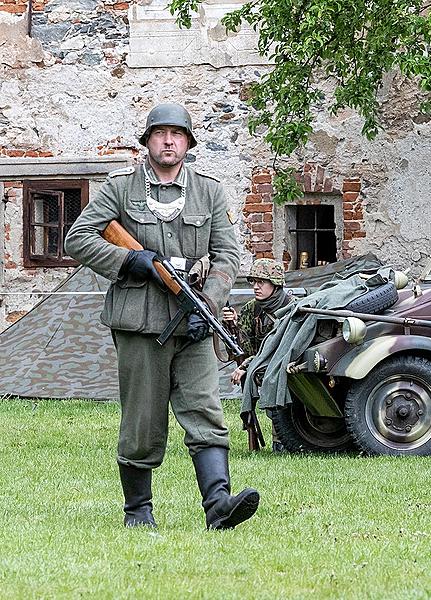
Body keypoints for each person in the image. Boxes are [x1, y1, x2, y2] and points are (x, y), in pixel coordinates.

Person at [64, 102, 259, 530]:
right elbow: (77, 238)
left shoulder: (208, 191)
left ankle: (218, 506)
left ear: (188, 142)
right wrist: (130, 262)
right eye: (160, 133)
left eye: (177, 134)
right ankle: (138, 512)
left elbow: (227, 254)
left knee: (205, 409)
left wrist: (207, 304)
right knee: (143, 419)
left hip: (194, 321)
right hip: (139, 321)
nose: (169, 141)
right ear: (148, 140)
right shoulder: (121, 188)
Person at [223, 258, 295, 451]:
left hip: (288, 365)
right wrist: (232, 327)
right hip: (260, 365)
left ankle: (283, 439)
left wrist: (247, 365)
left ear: (276, 284)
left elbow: (282, 350)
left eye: (261, 282)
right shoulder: (251, 309)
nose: (256, 287)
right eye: (253, 282)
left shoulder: (292, 309)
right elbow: (243, 349)